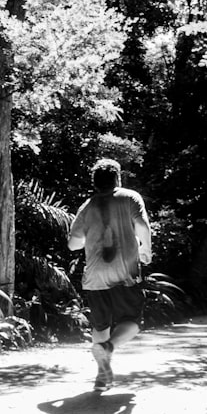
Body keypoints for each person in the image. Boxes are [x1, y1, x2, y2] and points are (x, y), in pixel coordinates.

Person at [67, 158, 152, 391]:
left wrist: (93, 235)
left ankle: (102, 377)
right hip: (125, 272)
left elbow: (73, 244)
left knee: (100, 327)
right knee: (132, 322)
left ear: (95, 183)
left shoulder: (87, 206)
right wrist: (146, 251)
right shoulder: (130, 197)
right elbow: (143, 227)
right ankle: (109, 348)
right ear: (118, 178)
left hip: (94, 277)